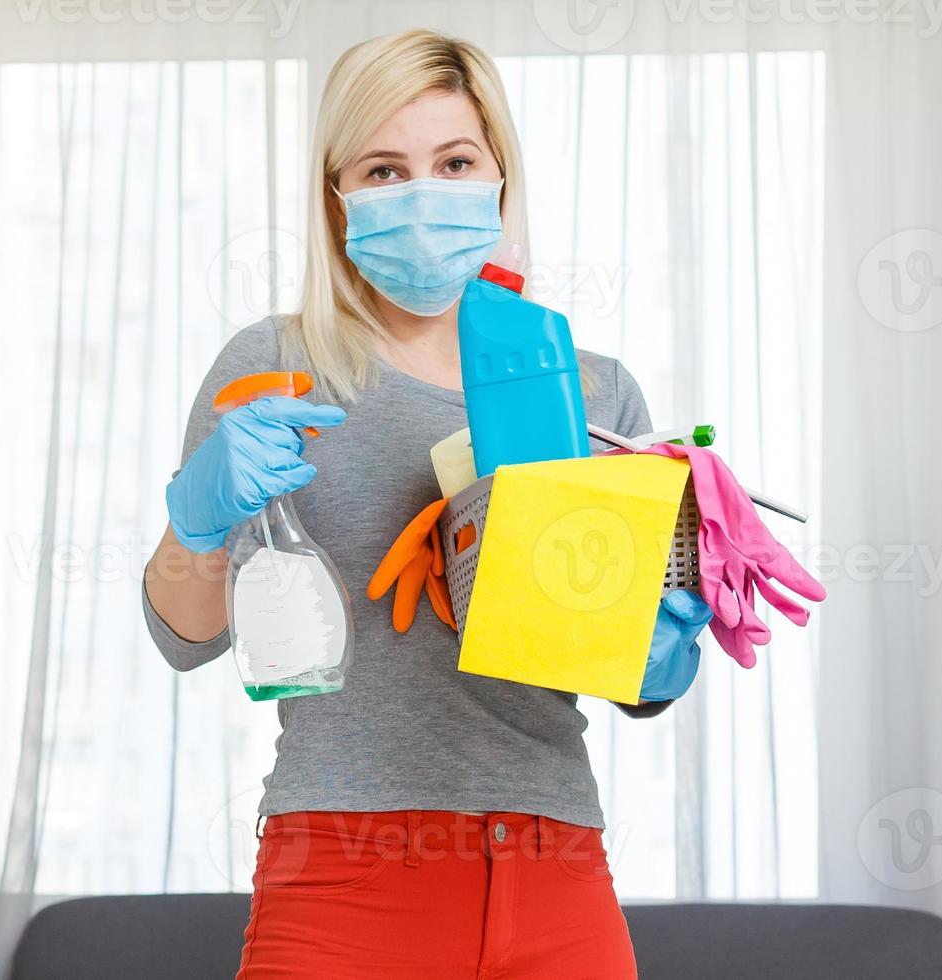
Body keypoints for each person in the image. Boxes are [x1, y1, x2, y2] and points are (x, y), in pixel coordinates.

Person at [141, 28, 712, 980]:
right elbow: (183, 638)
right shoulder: (273, 369)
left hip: (553, 857)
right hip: (341, 864)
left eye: (452, 161)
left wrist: (655, 657)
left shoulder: (592, 392)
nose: (419, 193)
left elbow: (620, 674)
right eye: (381, 168)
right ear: (337, 197)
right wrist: (194, 521)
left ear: (496, 173)